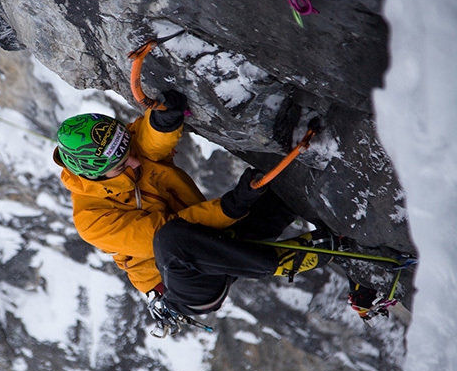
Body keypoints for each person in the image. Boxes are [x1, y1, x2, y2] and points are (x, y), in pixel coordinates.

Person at [53, 90, 336, 331]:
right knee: (170, 239)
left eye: (130, 154)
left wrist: (163, 122)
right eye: (122, 167)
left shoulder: (119, 151)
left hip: (217, 242)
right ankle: (277, 262)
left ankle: (333, 239)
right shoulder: (92, 220)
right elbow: (164, 232)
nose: (135, 164)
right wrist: (232, 205)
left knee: (283, 191)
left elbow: (147, 142)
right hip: (185, 285)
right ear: (96, 175)